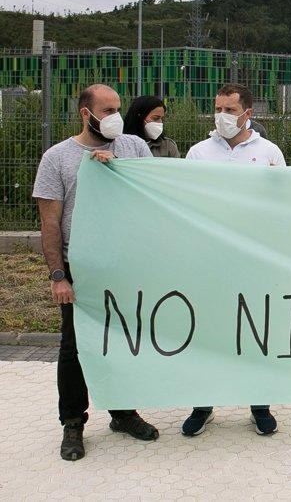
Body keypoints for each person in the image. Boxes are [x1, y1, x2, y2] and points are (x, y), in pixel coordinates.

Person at [33, 83, 159, 461]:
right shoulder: (57, 158)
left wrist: (117, 169)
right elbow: (50, 223)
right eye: (107, 111)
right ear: (85, 114)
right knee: (74, 347)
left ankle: (123, 412)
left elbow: (154, 194)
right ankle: (73, 422)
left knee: (123, 340)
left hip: (124, 265)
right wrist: (58, 276)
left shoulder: (133, 148)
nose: (115, 117)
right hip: (81, 267)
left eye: (118, 109)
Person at [181, 84, 286, 437]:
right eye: (218, 109)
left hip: (255, 260)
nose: (222, 116)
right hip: (209, 259)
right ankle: (203, 405)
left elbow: (285, 203)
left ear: (248, 113)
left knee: (257, 330)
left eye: (230, 110)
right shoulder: (198, 153)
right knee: (208, 330)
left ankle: (259, 404)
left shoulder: (269, 152)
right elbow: (185, 201)